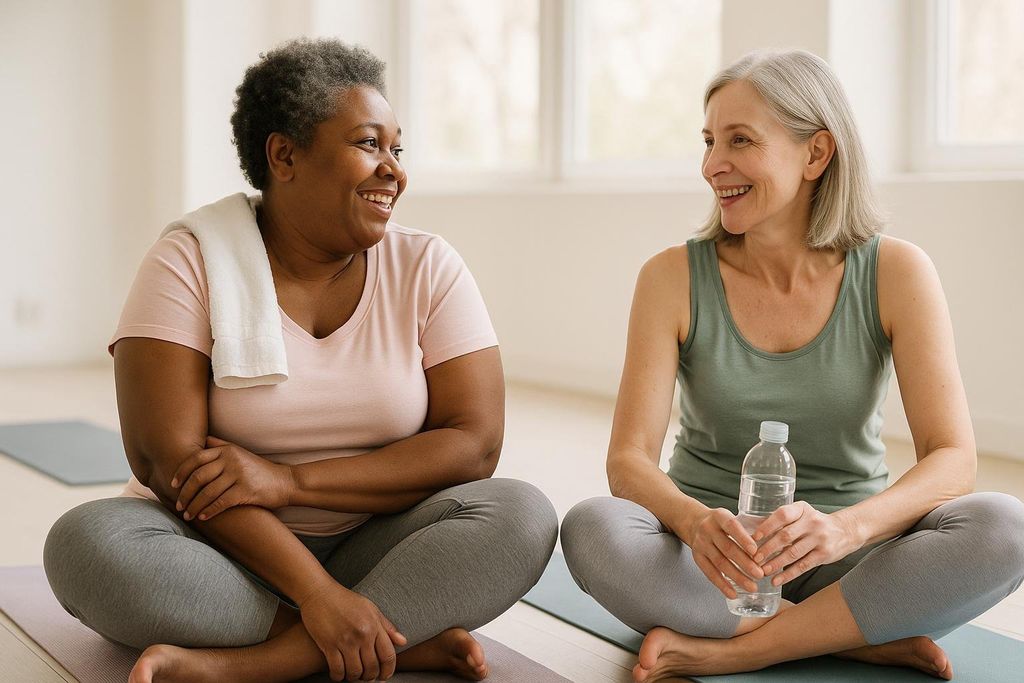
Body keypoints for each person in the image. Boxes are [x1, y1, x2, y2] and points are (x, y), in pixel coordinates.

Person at [43, 38, 557, 683]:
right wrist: (315, 593)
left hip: (378, 541)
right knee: (86, 544)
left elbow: (475, 446)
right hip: (221, 550)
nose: (393, 169)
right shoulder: (188, 259)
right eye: (368, 144)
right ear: (284, 155)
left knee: (521, 515)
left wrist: (289, 482)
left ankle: (269, 660)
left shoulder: (428, 266)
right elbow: (163, 461)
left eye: (398, 149)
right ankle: (386, 638)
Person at [560, 49, 1024, 682]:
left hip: (851, 557)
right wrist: (695, 524)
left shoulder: (896, 272)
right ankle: (845, 633)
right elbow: (628, 461)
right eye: (709, 141)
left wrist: (844, 531)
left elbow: (953, 460)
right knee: (592, 529)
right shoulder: (670, 277)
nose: (712, 165)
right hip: (710, 565)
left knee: (1006, 527)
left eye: (740, 140)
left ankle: (745, 646)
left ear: (816, 154)